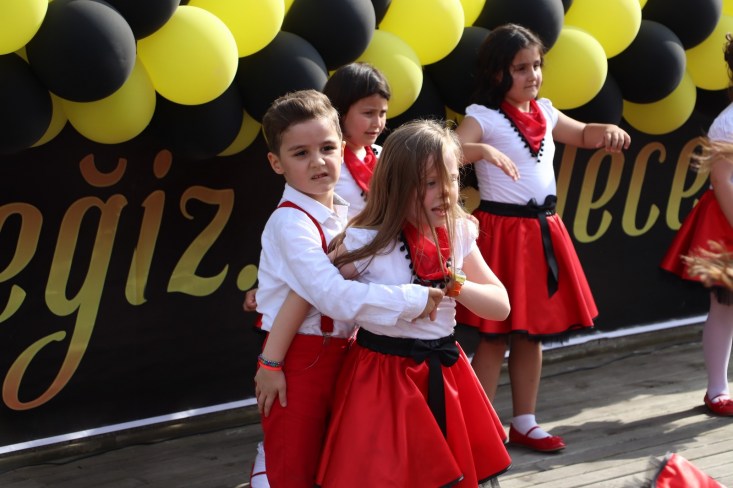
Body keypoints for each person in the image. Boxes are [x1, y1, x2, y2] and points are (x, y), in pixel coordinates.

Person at [453, 23, 631, 452]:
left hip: (540, 231)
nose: (532, 75)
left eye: (536, 66)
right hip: (501, 234)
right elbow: (448, 152)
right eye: (521, 68)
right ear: (497, 72)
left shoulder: (546, 112)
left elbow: (581, 133)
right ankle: (479, 427)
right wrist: (482, 150)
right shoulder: (483, 117)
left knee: (529, 333)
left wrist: (605, 131)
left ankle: (525, 421)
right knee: (494, 335)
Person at [252, 90, 444, 488]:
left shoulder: (347, 215)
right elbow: (332, 296)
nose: (318, 161)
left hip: (351, 354)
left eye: (326, 148)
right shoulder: (290, 223)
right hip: (301, 359)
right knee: (295, 470)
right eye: (300, 153)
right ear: (276, 163)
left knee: (341, 467)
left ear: (342, 148)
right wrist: (412, 299)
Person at [315, 119, 512, 487]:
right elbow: (317, 287)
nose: (446, 192)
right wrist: (270, 293)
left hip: (445, 370)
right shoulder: (366, 242)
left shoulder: (459, 231)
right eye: (430, 183)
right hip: (381, 378)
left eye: (451, 179)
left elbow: (501, 306)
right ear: (397, 185)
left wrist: (458, 286)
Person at [661, 32, 733, 415]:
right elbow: (724, 181)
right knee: (724, 307)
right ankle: (717, 389)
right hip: (727, 220)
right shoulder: (728, 123)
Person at [324, 61, 390, 219]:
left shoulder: (384, 156)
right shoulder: (324, 164)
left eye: (382, 113)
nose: (377, 123)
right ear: (340, 112)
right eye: (368, 113)